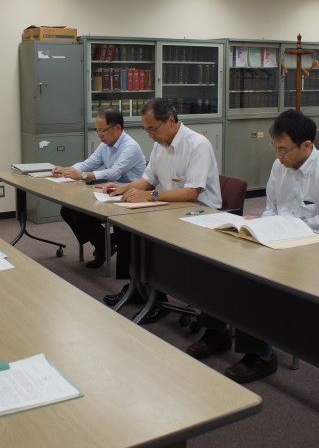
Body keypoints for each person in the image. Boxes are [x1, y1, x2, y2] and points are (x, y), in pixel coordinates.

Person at [186, 110, 319, 383]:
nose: (278, 156)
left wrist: (279, 226)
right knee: (221, 262)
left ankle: (261, 355)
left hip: (312, 247)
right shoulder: (279, 166)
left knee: (254, 278)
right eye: (275, 148)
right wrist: (262, 223)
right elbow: (271, 208)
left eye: (284, 150)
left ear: (306, 145)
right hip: (277, 238)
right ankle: (216, 333)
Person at [103, 98, 221, 323]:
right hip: (170, 209)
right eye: (146, 130)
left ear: (171, 121)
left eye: (153, 129)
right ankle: (139, 288)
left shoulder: (198, 145)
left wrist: (151, 195)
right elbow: (148, 179)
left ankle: (158, 298)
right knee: (126, 227)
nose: (150, 136)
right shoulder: (160, 144)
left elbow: (191, 193)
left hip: (199, 215)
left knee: (151, 238)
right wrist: (123, 188)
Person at [52, 107, 146, 268]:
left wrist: (82, 175)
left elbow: (114, 173)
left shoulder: (130, 147)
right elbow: (88, 163)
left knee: (81, 216)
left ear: (117, 128)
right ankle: (105, 243)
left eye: (103, 130)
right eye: (97, 130)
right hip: (110, 192)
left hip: (130, 196)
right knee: (67, 210)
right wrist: (67, 170)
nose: (99, 135)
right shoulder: (106, 145)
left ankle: (103, 246)